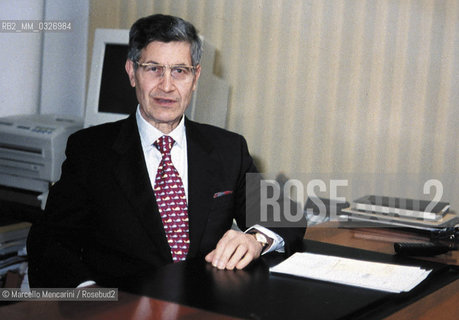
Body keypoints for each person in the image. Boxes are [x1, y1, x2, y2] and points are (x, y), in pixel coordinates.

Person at [27, 14, 306, 288]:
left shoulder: (228, 149)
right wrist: (88, 295)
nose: (167, 86)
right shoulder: (90, 151)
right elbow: (50, 242)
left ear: (195, 77)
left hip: (205, 307)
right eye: (153, 68)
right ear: (131, 72)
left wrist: (255, 239)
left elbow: (285, 216)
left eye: (179, 71)